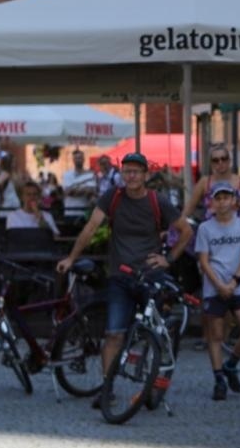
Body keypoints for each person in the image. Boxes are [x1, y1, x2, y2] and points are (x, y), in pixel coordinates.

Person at [56, 151, 193, 386]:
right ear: (121, 174)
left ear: (145, 175)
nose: (131, 176)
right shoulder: (113, 197)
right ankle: (107, 388)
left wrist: (168, 258)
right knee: (113, 334)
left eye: (136, 172)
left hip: (150, 274)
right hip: (120, 275)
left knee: (155, 333)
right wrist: (71, 258)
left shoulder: (156, 201)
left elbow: (186, 231)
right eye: (127, 171)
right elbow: (90, 228)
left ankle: (156, 377)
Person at [196, 181, 240, 400]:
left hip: (238, 285)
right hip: (214, 287)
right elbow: (204, 261)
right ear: (212, 202)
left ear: (234, 201)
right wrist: (220, 285)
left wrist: (234, 281)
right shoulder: (205, 228)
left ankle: (231, 364)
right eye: (218, 198)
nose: (222, 202)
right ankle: (219, 377)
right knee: (216, 335)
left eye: (226, 197)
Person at [189, 142, 240, 219]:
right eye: (215, 160)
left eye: (223, 159)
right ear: (211, 163)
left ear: (229, 161)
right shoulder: (204, 182)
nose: (220, 162)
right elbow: (190, 207)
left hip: (238, 230)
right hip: (212, 230)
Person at [61, 148, 98, 222]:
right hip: (70, 211)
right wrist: (84, 190)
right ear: (73, 160)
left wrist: (75, 191)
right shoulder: (67, 174)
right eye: (76, 158)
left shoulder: (90, 175)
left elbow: (92, 191)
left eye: (80, 158)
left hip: (84, 212)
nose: (78, 160)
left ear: (84, 159)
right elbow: (68, 192)